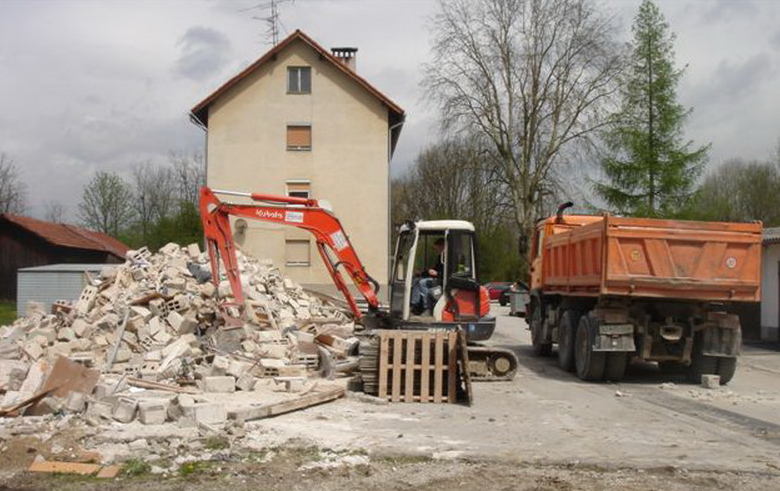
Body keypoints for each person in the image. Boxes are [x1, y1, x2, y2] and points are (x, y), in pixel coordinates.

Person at [411, 238, 445, 315]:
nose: (437, 250)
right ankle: (415, 304)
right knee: (416, 280)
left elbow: (446, 273)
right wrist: (422, 273)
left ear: (443, 246)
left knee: (422, 282)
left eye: (438, 248)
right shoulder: (441, 257)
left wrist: (437, 274)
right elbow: (435, 269)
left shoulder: (448, 258)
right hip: (438, 278)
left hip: (442, 280)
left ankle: (427, 307)